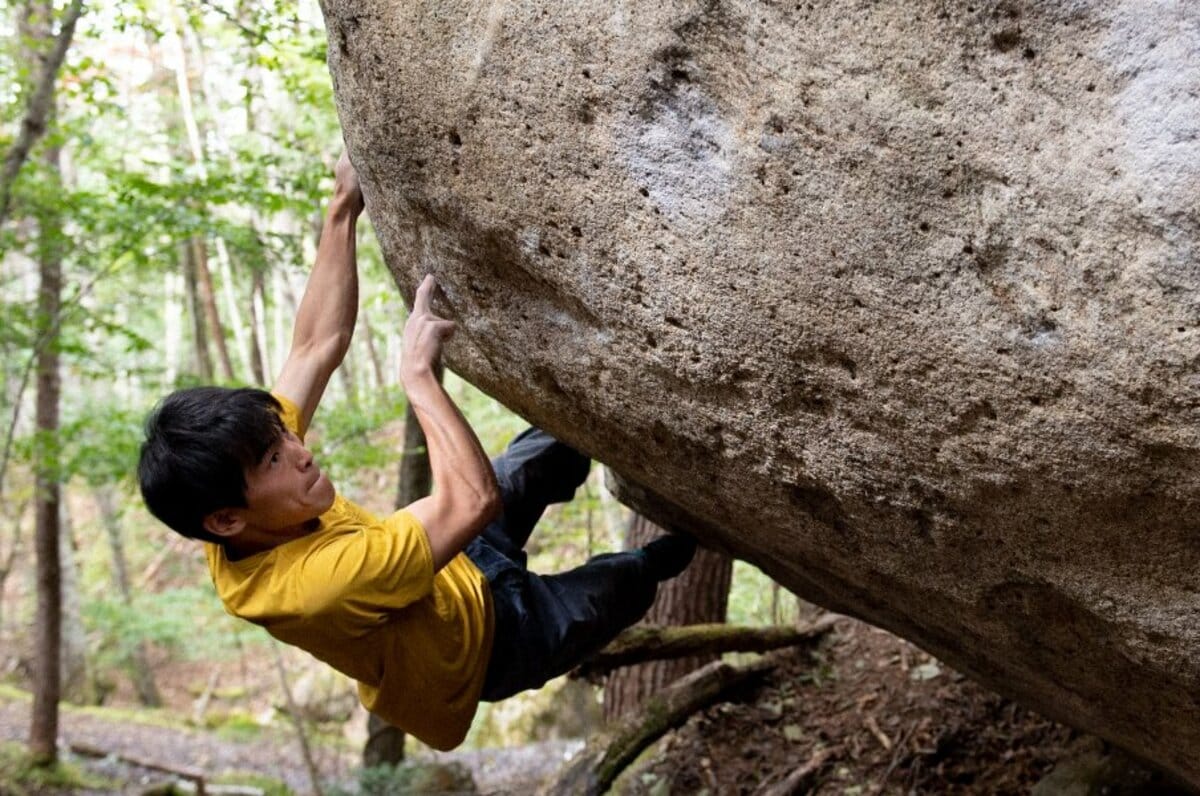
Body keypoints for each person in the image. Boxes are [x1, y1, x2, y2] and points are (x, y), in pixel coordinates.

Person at [137, 152, 695, 750]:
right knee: (626, 579)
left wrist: (342, 209)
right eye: (274, 459)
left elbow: (314, 347)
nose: (299, 452)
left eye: (284, 436)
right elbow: (471, 501)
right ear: (226, 519)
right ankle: (689, 539)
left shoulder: (243, 486)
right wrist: (419, 379)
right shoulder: (313, 589)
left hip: (452, 559)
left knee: (550, 448)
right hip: (493, 644)